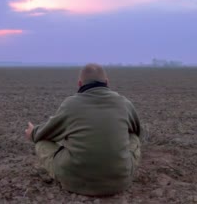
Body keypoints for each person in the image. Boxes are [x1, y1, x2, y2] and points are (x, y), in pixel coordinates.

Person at [24, 63, 142, 196]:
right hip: (120, 182)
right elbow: (140, 132)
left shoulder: (71, 104)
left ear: (79, 84)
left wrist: (32, 132)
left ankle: (67, 173)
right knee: (134, 137)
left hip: (74, 183)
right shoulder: (124, 103)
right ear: (107, 82)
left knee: (41, 142)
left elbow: (46, 133)